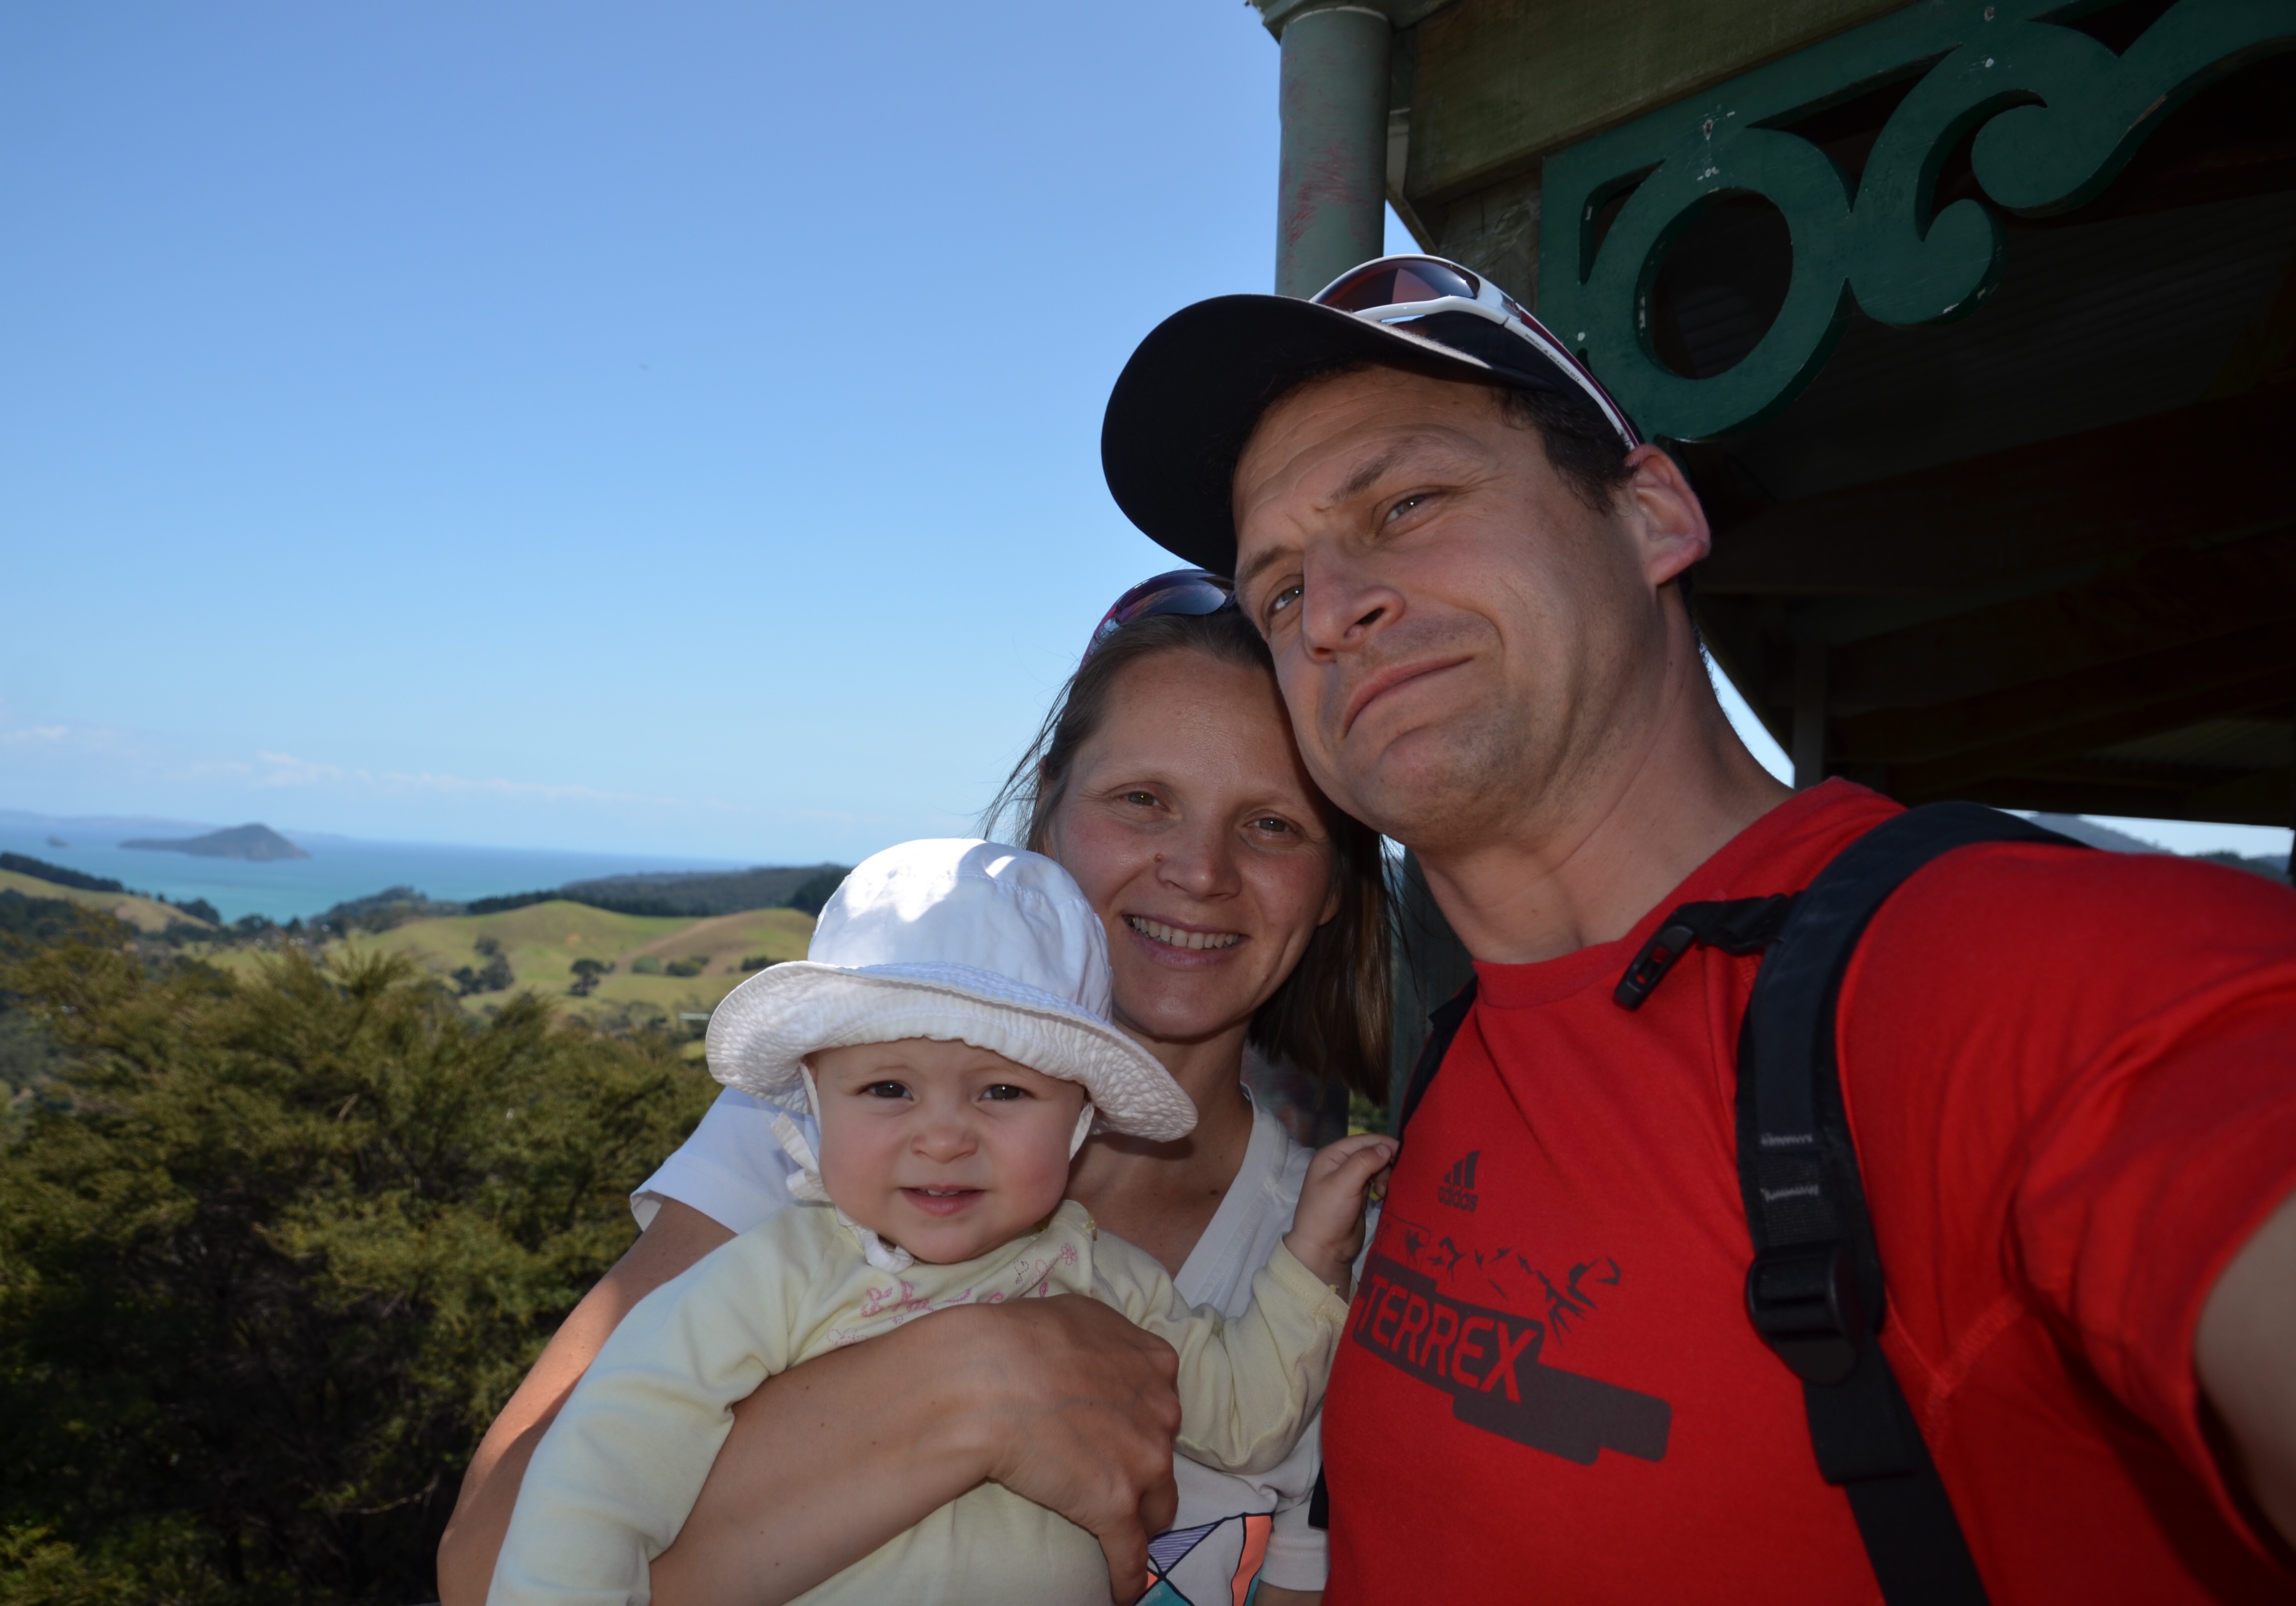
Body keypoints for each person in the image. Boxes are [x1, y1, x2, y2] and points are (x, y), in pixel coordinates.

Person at [1093, 254, 2296, 1601]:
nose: (1331, 613)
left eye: (1409, 504)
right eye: (1277, 592)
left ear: (1654, 514)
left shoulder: (2010, 973)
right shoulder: (1458, 1060)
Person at [438, 590, 1392, 1606]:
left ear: (1336, 879)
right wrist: (982, 1384)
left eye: (1272, 824)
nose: (1199, 871)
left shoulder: (1356, 1262)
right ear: (1050, 810)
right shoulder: (814, 1134)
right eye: (1141, 800)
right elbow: (492, 1564)